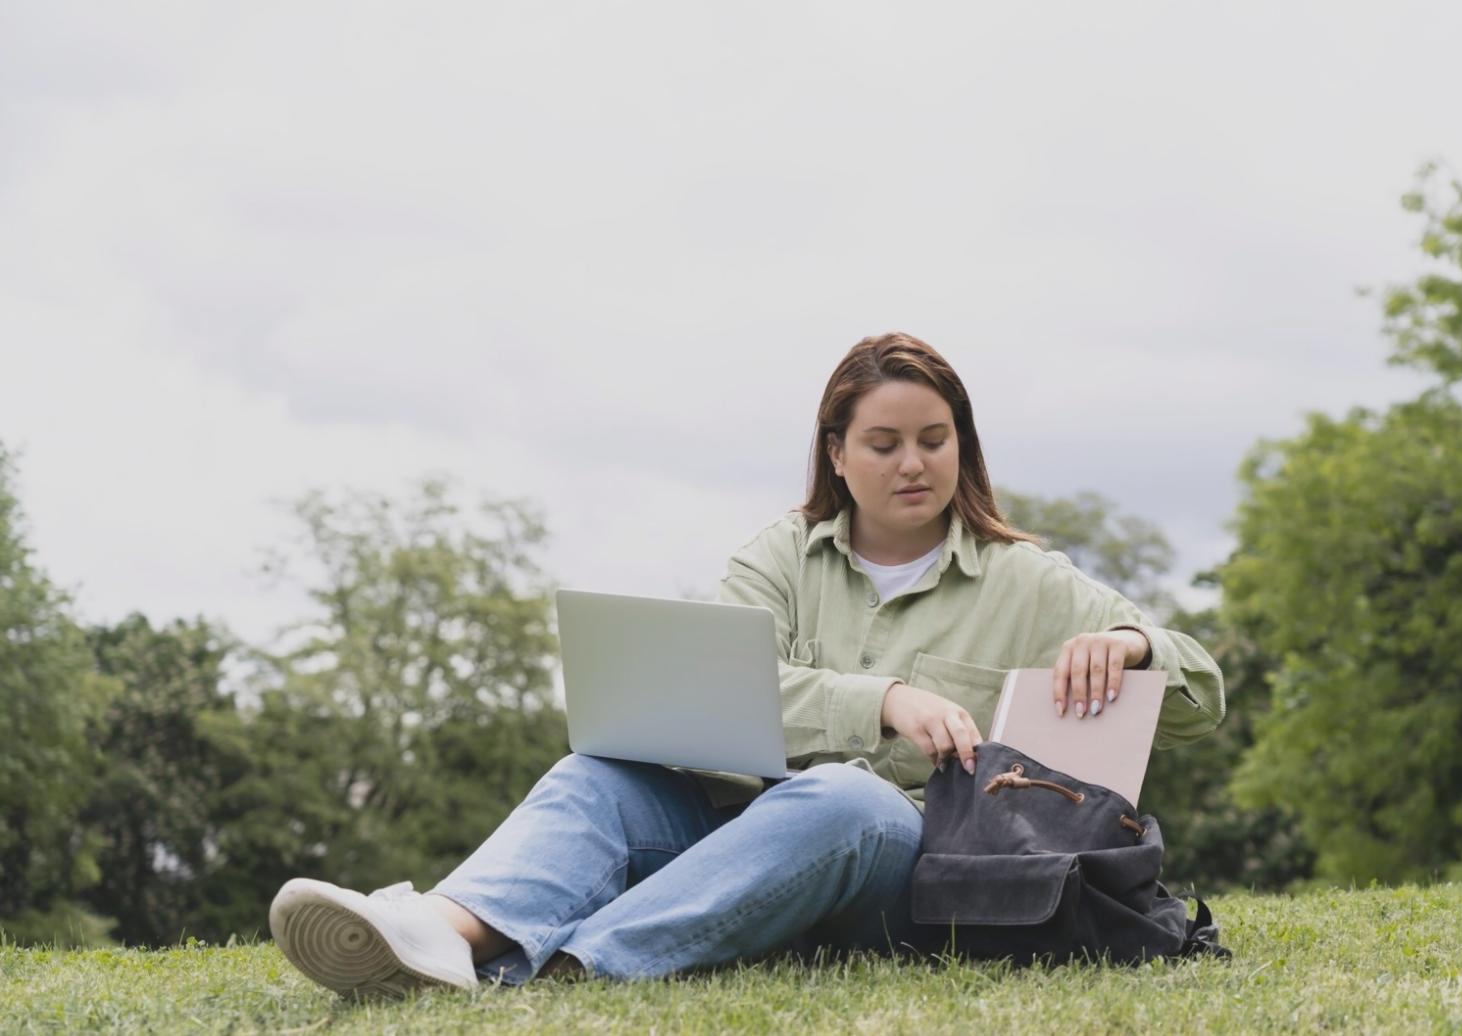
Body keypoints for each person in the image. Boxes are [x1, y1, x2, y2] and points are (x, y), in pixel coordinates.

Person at [268, 332, 1226, 996]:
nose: (913, 464)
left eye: (934, 441)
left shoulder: (1029, 580)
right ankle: (440, 935)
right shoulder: (777, 558)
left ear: (962, 448)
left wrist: (1135, 645)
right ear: (837, 454)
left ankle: (566, 968)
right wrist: (882, 699)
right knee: (598, 772)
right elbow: (718, 695)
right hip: (744, 834)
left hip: (915, 873)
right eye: (884, 444)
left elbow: (1201, 696)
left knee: (845, 799)